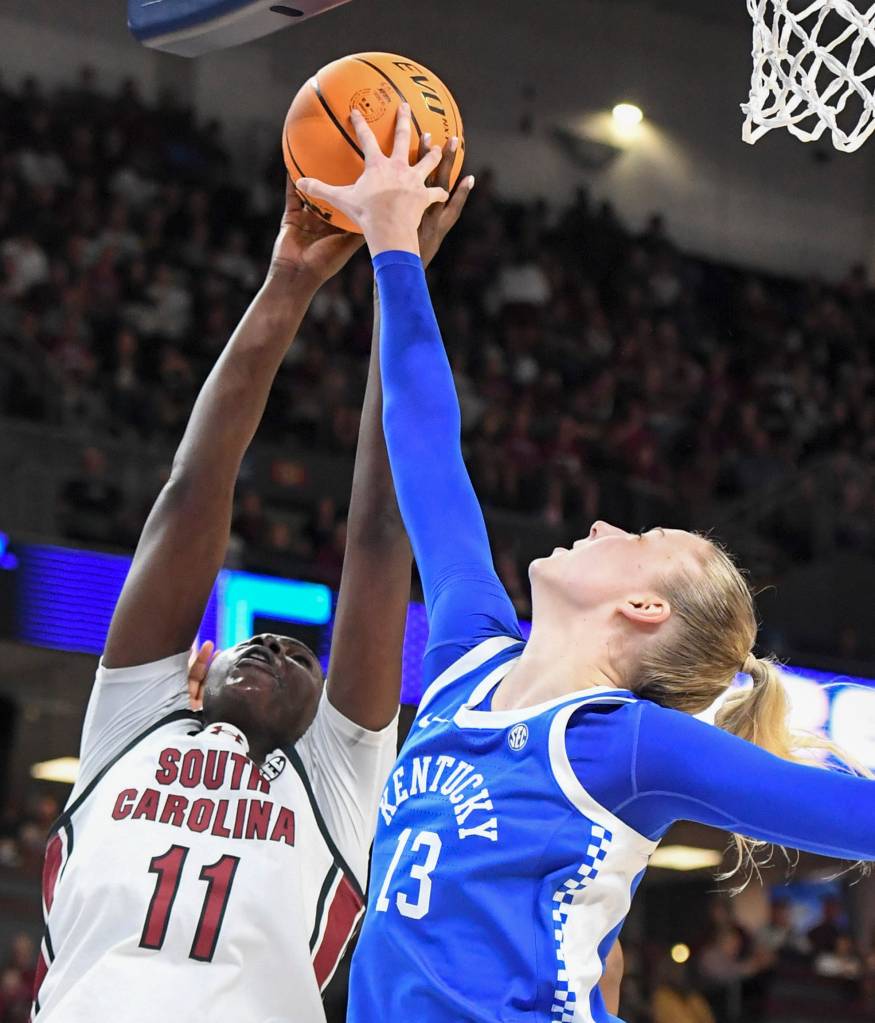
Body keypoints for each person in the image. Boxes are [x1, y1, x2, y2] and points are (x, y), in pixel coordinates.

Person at [296, 105, 875, 1023]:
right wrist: (394, 249)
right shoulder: (466, 661)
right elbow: (426, 448)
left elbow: (858, 817)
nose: (603, 522)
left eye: (634, 540)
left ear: (645, 607)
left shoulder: (620, 746)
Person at [31, 150, 470, 1022]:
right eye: (262, 641)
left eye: (303, 658)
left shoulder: (340, 777)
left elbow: (381, 533)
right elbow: (192, 489)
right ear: (195, 671)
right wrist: (288, 281)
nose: (274, 643)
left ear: (332, 726)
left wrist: (399, 271)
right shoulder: (134, 724)